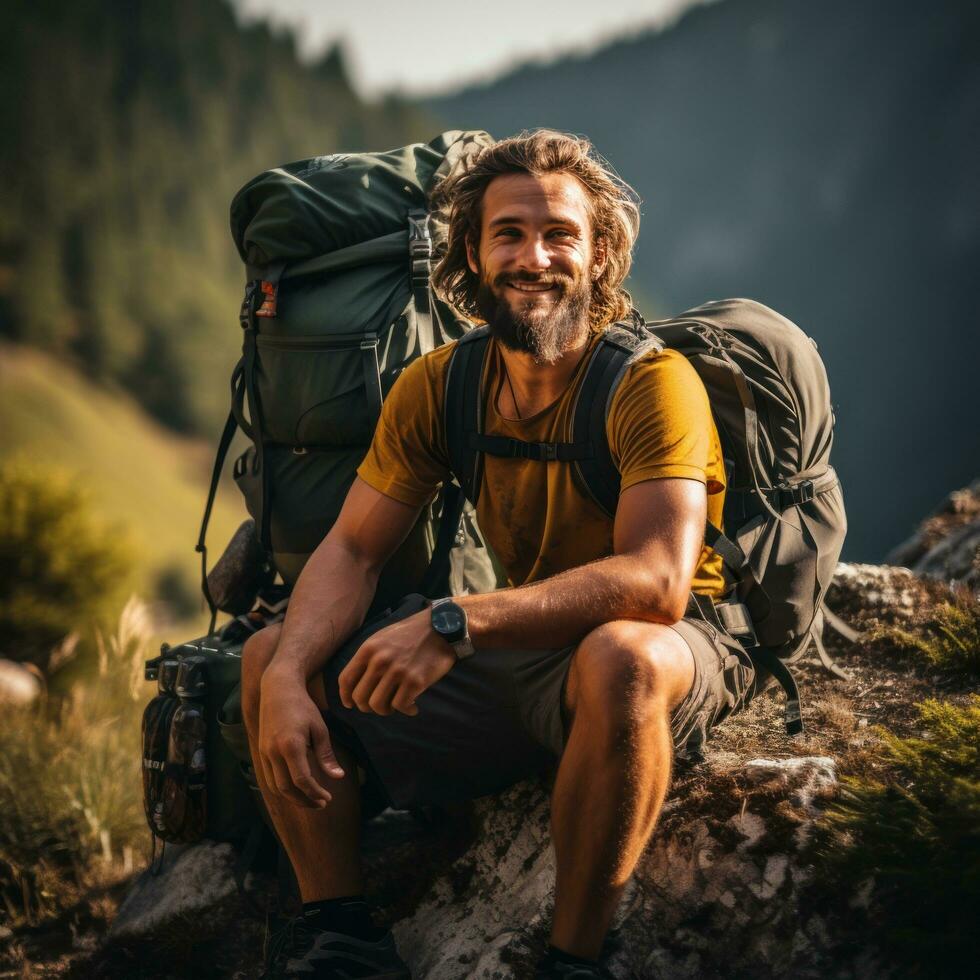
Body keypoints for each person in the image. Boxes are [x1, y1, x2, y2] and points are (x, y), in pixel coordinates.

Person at [242, 130, 757, 980]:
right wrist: (293, 674)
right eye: (509, 233)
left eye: (561, 234)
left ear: (599, 258)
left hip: (672, 648)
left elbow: (659, 581)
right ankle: (343, 935)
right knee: (266, 657)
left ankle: (574, 959)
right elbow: (354, 547)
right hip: (523, 649)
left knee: (620, 656)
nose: (535, 257)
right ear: (472, 256)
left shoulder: (651, 383)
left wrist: (453, 623)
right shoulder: (442, 384)